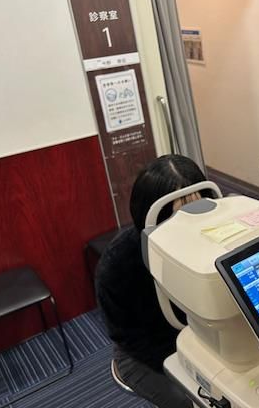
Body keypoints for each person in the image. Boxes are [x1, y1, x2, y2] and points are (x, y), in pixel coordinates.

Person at [95, 155, 207, 408]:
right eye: (180, 215)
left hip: (198, 335)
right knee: (195, 401)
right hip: (143, 353)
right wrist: (190, 365)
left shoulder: (208, 240)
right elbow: (128, 337)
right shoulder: (118, 264)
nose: (192, 224)